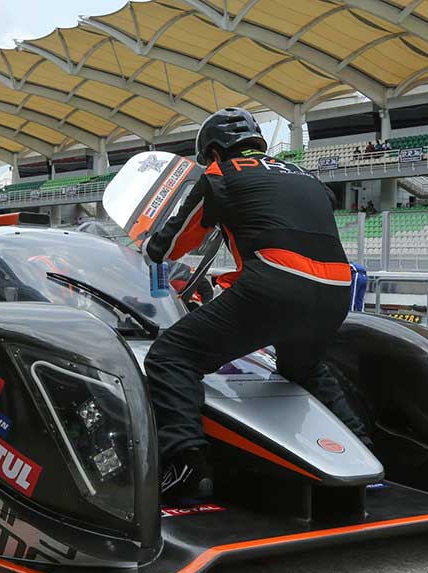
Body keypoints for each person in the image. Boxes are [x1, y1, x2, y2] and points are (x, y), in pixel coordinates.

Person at [141, 107, 370, 502]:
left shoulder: (222, 173)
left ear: (213, 151)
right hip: (336, 288)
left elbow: (174, 242)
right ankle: (365, 452)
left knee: (171, 357)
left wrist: (150, 245)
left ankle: (183, 467)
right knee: (304, 367)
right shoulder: (306, 176)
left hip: (277, 285)